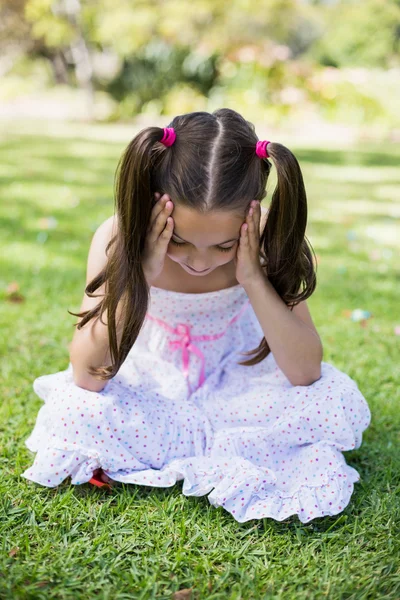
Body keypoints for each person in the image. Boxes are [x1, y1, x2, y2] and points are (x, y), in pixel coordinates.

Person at [21, 108, 371, 524]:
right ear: (154, 205)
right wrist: (143, 276)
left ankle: (201, 441)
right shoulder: (118, 238)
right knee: (75, 411)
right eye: (181, 241)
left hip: (242, 384)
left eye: (222, 246)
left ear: (252, 214)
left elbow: (304, 372)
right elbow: (88, 375)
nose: (200, 263)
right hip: (150, 383)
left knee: (331, 398)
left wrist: (253, 277)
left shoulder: (268, 245)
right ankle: (220, 444)